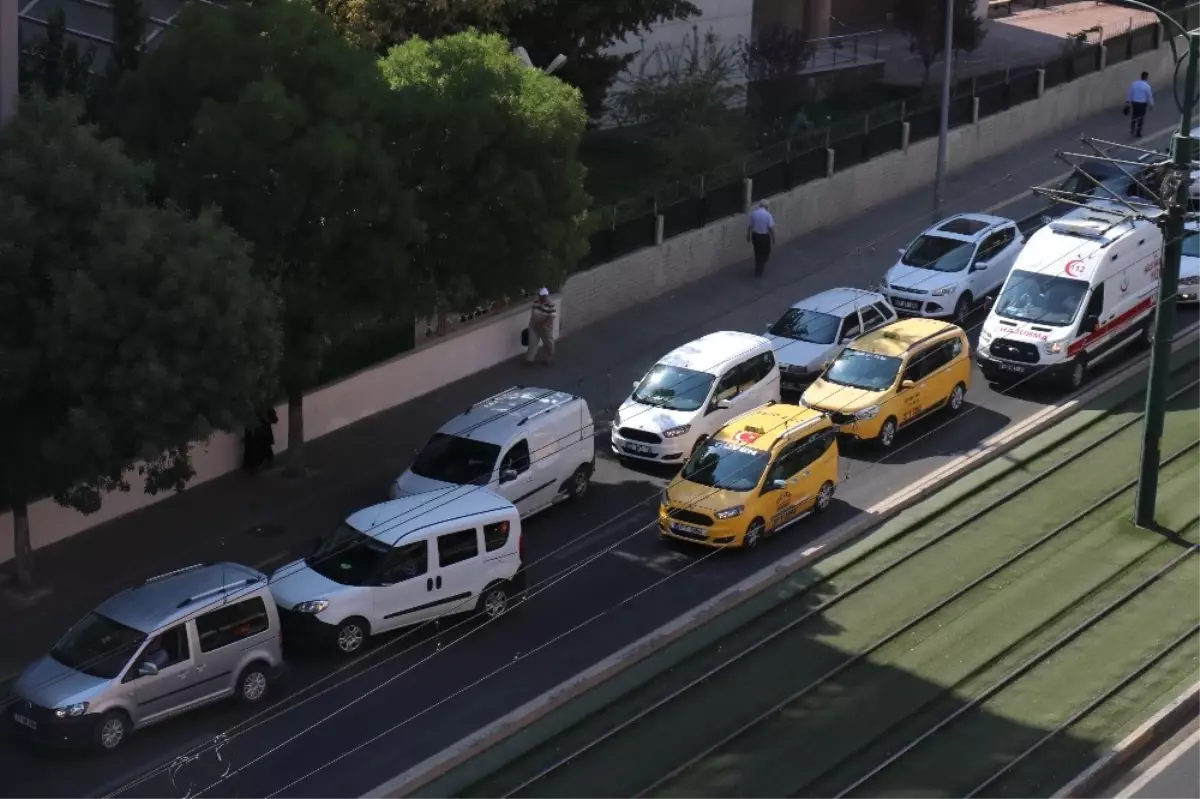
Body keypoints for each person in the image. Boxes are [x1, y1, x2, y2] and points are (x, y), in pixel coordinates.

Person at [242, 406, 278, 472]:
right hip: (261, 433)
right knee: (263, 447)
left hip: (257, 432)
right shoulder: (263, 405)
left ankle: (254, 465)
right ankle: (260, 464)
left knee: (256, 447)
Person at [526, 288, 557, 365]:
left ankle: (550, 357)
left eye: (544, 296)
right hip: (535, 324)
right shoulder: (536, 302)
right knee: (532, 341)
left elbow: (552, 316)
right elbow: (533, 312)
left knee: (548, 341)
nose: (543, 298)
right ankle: (530, 359)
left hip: (545, 326)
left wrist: (545, 324)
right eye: (542, 296)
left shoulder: (550, 304)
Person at [747, 200, 776, 277]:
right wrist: (773, 238)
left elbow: (750, 226)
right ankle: (761, 265)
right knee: (766, 251)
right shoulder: (768, 215)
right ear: (767, 207)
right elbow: (771, 228)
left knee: (757, 252)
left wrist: (748, 235)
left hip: (755, 235)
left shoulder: (754, 213)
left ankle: (758, 268)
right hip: (764, 236)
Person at [1126, 72, 1154, 138]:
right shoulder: (1147, 86)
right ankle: (1138, 132)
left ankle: (1132, 129)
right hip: (1142, 104)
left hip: (1135, 103)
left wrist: (1128, 101)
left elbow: (1130, 92)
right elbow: (1149, 96)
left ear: (1141, 76)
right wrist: (1151, 104)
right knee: (1141, 118)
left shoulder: (1134, 84)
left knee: (1134, 116)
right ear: (1146, 77)